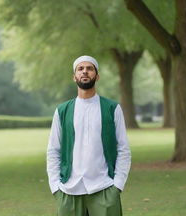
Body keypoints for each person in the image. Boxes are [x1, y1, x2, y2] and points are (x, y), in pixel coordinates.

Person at [47, 55, 131, 216]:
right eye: (80, 69)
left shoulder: (112, 108)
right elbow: (53, 150)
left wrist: (117, 185)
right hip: (68, 189)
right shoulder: (62, 110)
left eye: (89, 68)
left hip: (104, 188)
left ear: (97, 76)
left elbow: (123, 148)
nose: (85, 71)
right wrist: (55, 186)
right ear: (74, 76)